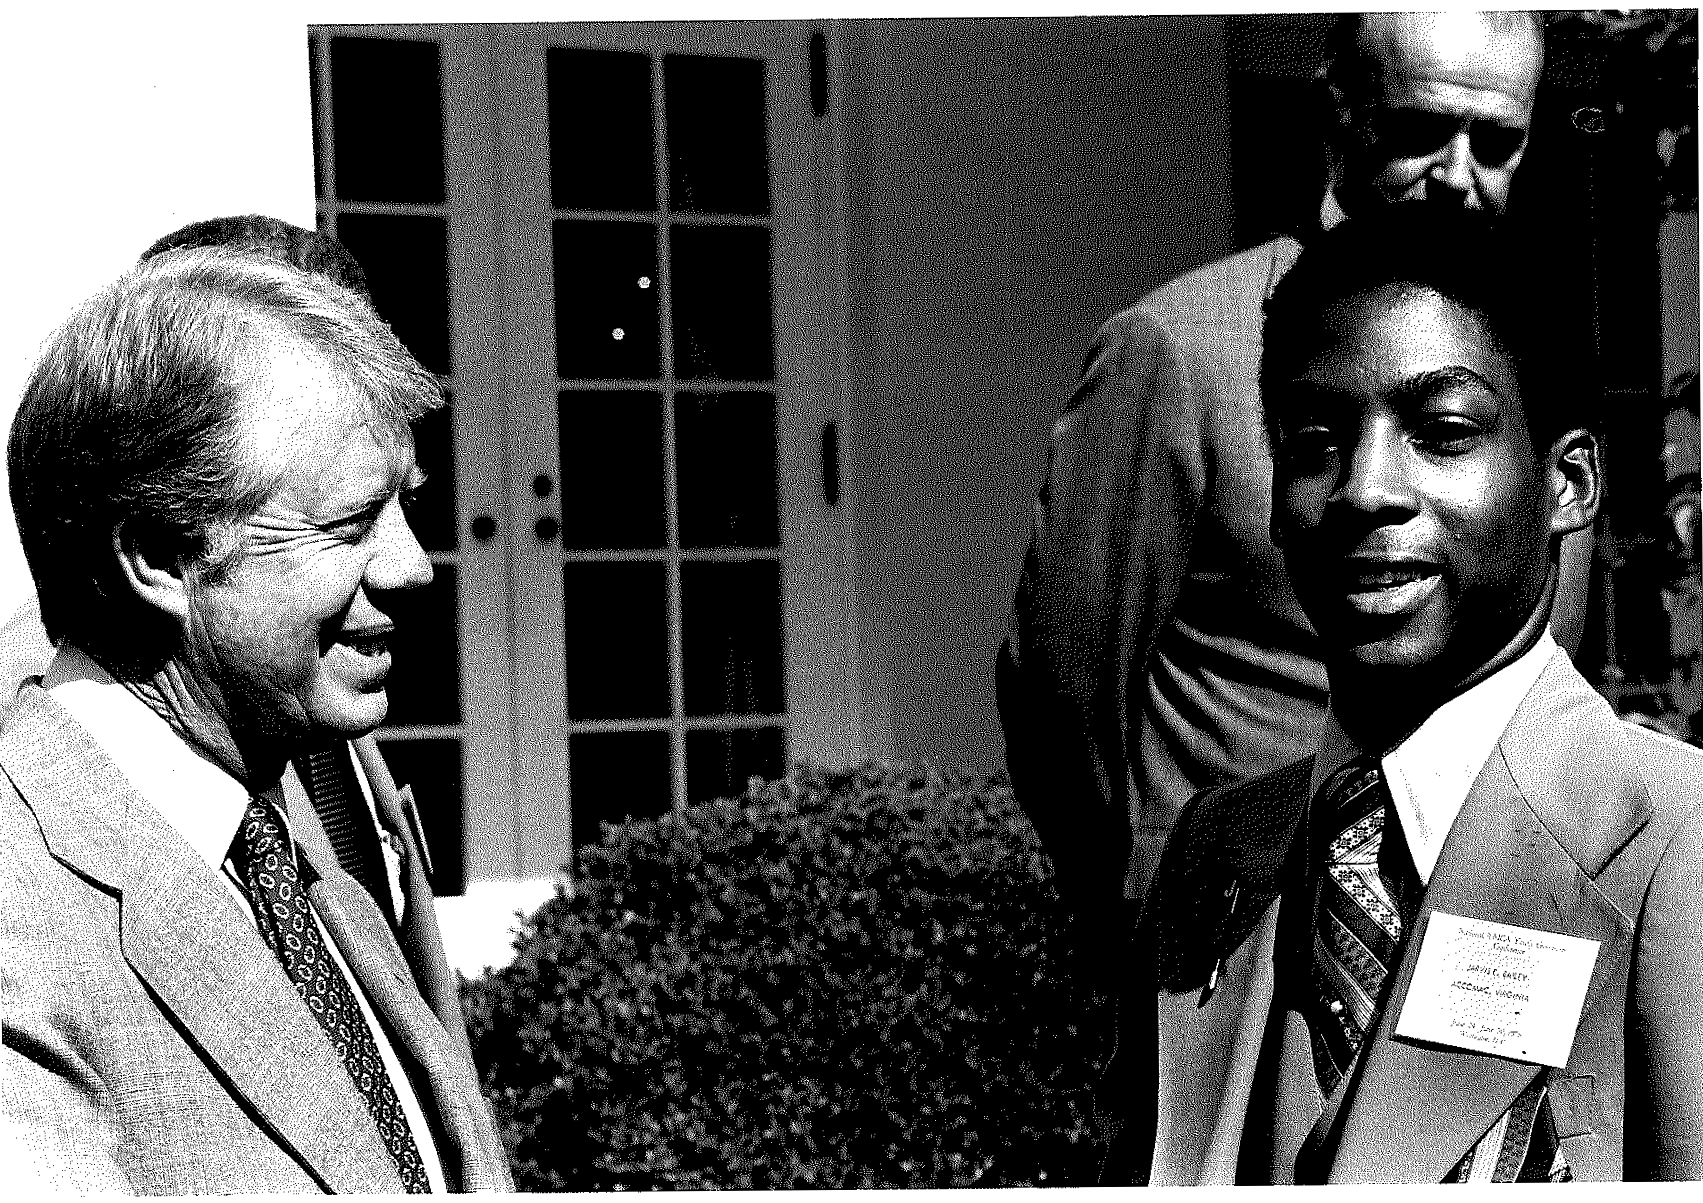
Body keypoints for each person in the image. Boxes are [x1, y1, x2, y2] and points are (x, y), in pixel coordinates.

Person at [1133, 208, 1703, 1184]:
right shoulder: (1217, 854)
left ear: (1566, 482)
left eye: (1440, 433)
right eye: (1313, 440)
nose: (1362, 488)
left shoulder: (1674, 849)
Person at [997, 11, 1587, 944]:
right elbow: (1060, 695)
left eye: (1496, 142)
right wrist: (1150, 902)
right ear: (1336, 115)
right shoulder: (1181, 353)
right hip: (1226, 940)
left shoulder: (1531, 374)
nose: (1457, 176)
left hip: (1470, 945)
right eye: (1417, 131)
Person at [0, 248, 513, 1191]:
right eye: (352, 523)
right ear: (159, 555)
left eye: (405, 506)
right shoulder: (18, 912)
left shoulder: (269, 834)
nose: (411, 567)